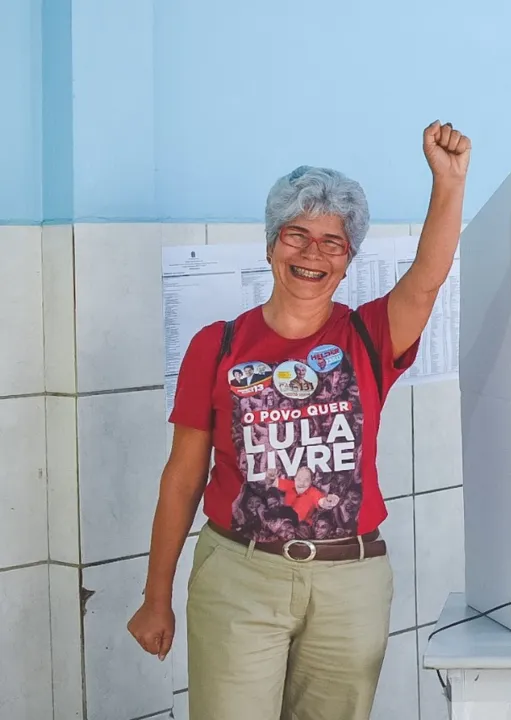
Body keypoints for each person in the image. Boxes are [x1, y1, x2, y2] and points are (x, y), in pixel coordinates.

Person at [127, 120, 471, 720]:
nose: (313, 253)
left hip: (350, 580)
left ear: (347, 260)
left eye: (332, 242)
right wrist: (156, 595)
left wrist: (448, 183)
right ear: (270, 245)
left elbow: (427, 280)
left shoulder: (366, 335)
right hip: (239, 571)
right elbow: (182, 479)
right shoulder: (218, 346)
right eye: (297, 235)